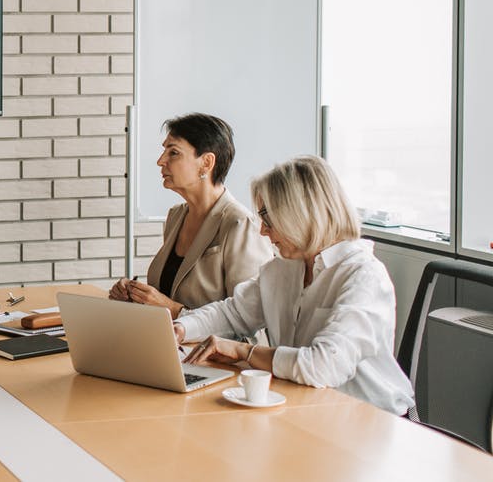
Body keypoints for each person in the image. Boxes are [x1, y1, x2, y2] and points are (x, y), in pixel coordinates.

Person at [177, 155, 415, 415]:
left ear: (300, 212)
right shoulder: (284, 268)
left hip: (369, 422)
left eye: (267, 218)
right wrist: (179, 329)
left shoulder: (363, 275)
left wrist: (245, 352)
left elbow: (323, 366)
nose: (263, 231)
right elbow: (233, 313)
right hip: (306, 408)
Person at [108, 113, 272, 318]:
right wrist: (135, 296)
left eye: (173, 152)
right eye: (164, 151)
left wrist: (173, 310)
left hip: (203, 349)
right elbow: (168, 294)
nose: (160, 161)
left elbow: (251, 324)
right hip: (165, 346)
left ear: (206, 163)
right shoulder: (176, 216)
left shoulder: (240, 225)